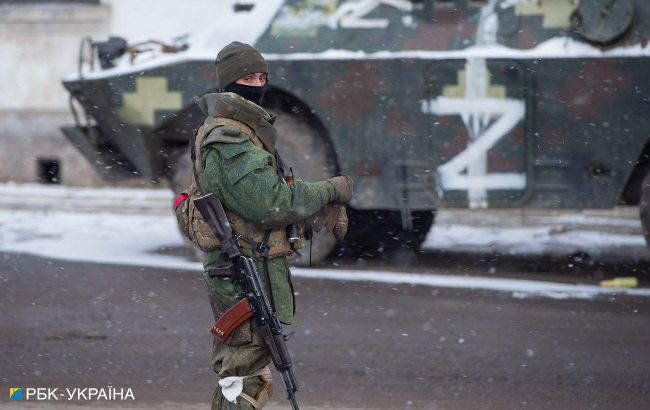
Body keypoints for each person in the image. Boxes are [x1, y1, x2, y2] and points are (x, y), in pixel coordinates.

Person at [191, 41, 353, 409]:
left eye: (262, 76)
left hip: (252, 263)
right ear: (230, 83)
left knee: (247, 370)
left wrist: (311, 207)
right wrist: (330, 190)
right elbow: (269, 203)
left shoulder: (243, 130)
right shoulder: (230, 138)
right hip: (242, 267)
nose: (256, 83)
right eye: (247, 77)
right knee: (245, 376)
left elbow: (259, 199)